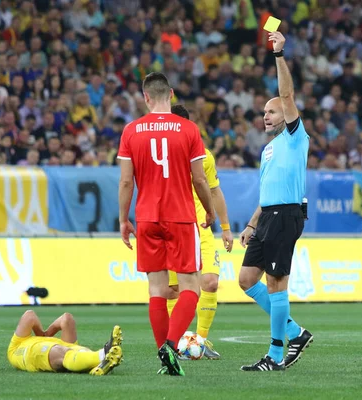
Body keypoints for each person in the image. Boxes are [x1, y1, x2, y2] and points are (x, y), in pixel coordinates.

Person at [117, 72, 215, 376]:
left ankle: (165, 357)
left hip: (147, 218)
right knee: (191, 288)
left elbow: (125, 183)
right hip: (182, 216)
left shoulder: (131, 131)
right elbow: (199, 178)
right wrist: (209, 211)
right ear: (170, 94)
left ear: (146, 97)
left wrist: (123, 219)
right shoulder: (188, 129)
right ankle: (170, 347)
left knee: (157, 290)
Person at [237, 31, 313, 372]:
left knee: (275, 282)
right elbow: (266, 188)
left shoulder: (296, 137)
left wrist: (278, 55)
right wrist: (253, 222)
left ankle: (276, 354)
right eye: (264, 112)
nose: (266, 116)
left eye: (272, 111)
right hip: (268, 215)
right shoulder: (268, 148)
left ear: (286, 113)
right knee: (246, 279)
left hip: (287, 215)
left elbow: (287, 92)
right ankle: (295, 332)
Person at [167, 104, 234, 360]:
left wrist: (226, 228)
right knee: (173, 290)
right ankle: (177, 344)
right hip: (170, 227)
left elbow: (215, 191)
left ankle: (200, 339)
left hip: (200, 226)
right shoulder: (159, 155)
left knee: (210, 282)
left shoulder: (204, 156)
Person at [7, 310, 122, 376]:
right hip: (31, 353)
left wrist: (45, 335)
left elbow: (66, 319)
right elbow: (29, 316)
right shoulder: (15, 348)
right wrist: (43, 334)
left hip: (53, 347)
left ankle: (98, 363)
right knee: (62, 351)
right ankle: (103, 354)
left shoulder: (19, 340)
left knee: (77, 350)